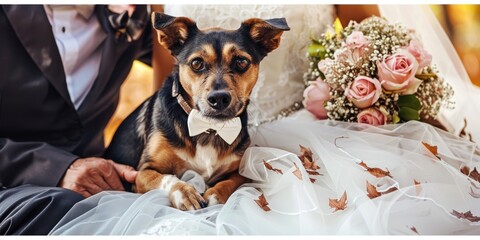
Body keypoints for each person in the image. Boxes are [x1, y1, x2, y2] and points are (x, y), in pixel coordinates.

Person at [50, 4, 480, 235]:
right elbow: (147, 166)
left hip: (296, 138)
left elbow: (365, 34)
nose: (219, 85)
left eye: (239, 66)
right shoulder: (166, 112)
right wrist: (170, 182)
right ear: (177, 53)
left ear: (262, 51)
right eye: (198, 67)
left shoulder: (245, 130)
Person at [0, 5, 159, 234]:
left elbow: (188, 56)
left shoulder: (133, 14)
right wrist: (59, 169)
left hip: (100, 190)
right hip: (11, 187)